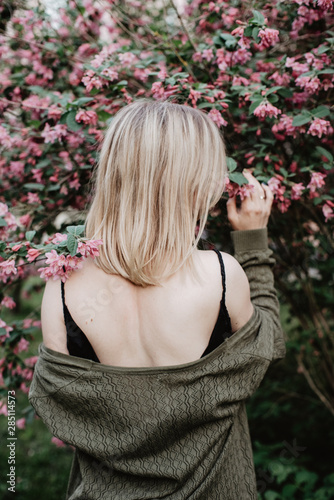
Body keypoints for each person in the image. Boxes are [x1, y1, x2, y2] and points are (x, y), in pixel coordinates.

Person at [28, 98, 286, 500]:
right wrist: (253, 243)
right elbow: (266, 344)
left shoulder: (63, 282)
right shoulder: (220, 275)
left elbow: (58, 403)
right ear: (193, 178)